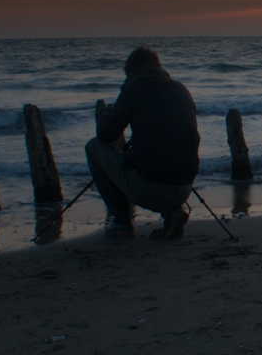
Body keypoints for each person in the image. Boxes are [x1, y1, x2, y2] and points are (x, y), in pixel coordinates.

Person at [85, 47, 200, 238]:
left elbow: (105, 134)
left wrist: (111, 114)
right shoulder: (181, 89)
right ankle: (172, 213)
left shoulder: (134, 89)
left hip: (151, 189)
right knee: (164, 158)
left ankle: (121, 221)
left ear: (131, 71)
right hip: (185, 187)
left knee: (93, 147)